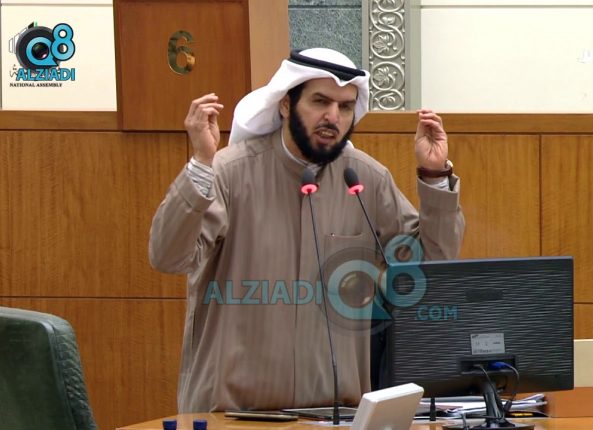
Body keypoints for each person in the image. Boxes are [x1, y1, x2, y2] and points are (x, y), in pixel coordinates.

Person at [149, 48, 465, 413]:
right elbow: (168, 256)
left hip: (334, 414)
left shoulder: (364, 179)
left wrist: (435, 176)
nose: (333, 116)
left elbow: (429, 265)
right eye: (320, 102)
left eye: (345, 107)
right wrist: (201, 165)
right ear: (285, 104)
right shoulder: (230, 172)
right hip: (231, 413)